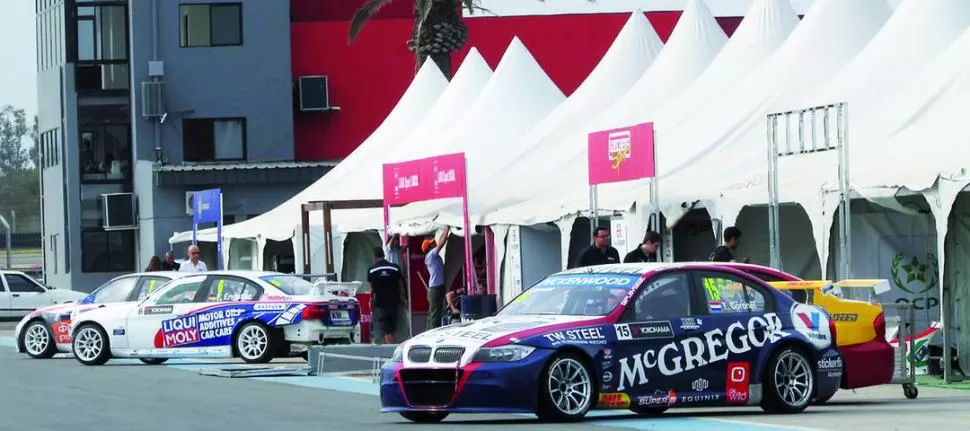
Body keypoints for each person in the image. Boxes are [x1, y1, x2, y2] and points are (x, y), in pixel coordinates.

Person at [367, 247, 406, 344]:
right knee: (393, 326)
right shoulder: (395, 267)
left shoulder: (371, 270)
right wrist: (404, 298)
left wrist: (370, 300)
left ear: (374, 256)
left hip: (380, 303)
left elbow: (371, 289)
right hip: (395, 301)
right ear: (383, 255)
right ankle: (395, 345)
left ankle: (391, 348)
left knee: (386, 328)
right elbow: (401, 285)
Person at [423, 226, 450, 330]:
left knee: (433, 313)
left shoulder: (431, 255)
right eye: (432, 243)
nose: (434, 244)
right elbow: (441, 243)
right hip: (435, 288)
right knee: (435, 315)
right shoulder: (431, 255)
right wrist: (446, 230)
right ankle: (432, 333)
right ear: (429, 247)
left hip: (435, 288)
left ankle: (429, 331)